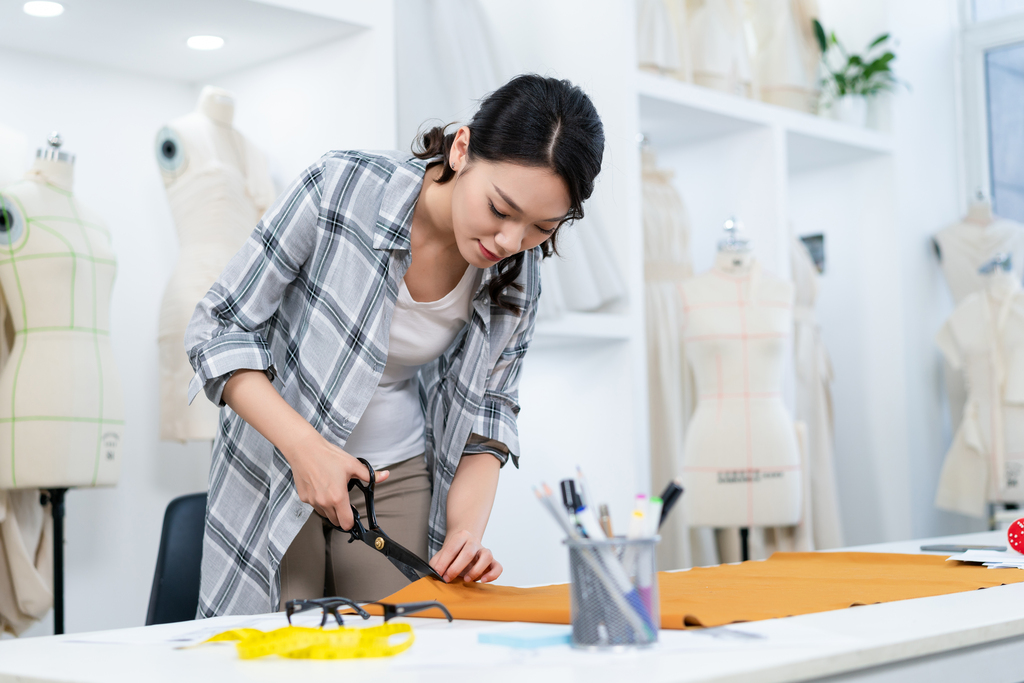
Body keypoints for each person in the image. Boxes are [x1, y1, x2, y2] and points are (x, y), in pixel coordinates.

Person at [184, 74, 605, 616]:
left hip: (397, 474)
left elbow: (490, 414)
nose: (509, 242)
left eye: (541, 227)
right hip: (278, 462)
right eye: (500, 210)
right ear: (461, 149)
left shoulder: (519, 275)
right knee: (275, 653)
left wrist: (465, 534)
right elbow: (218, 326)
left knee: (405, 650)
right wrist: (306, 449)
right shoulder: (340, 187)